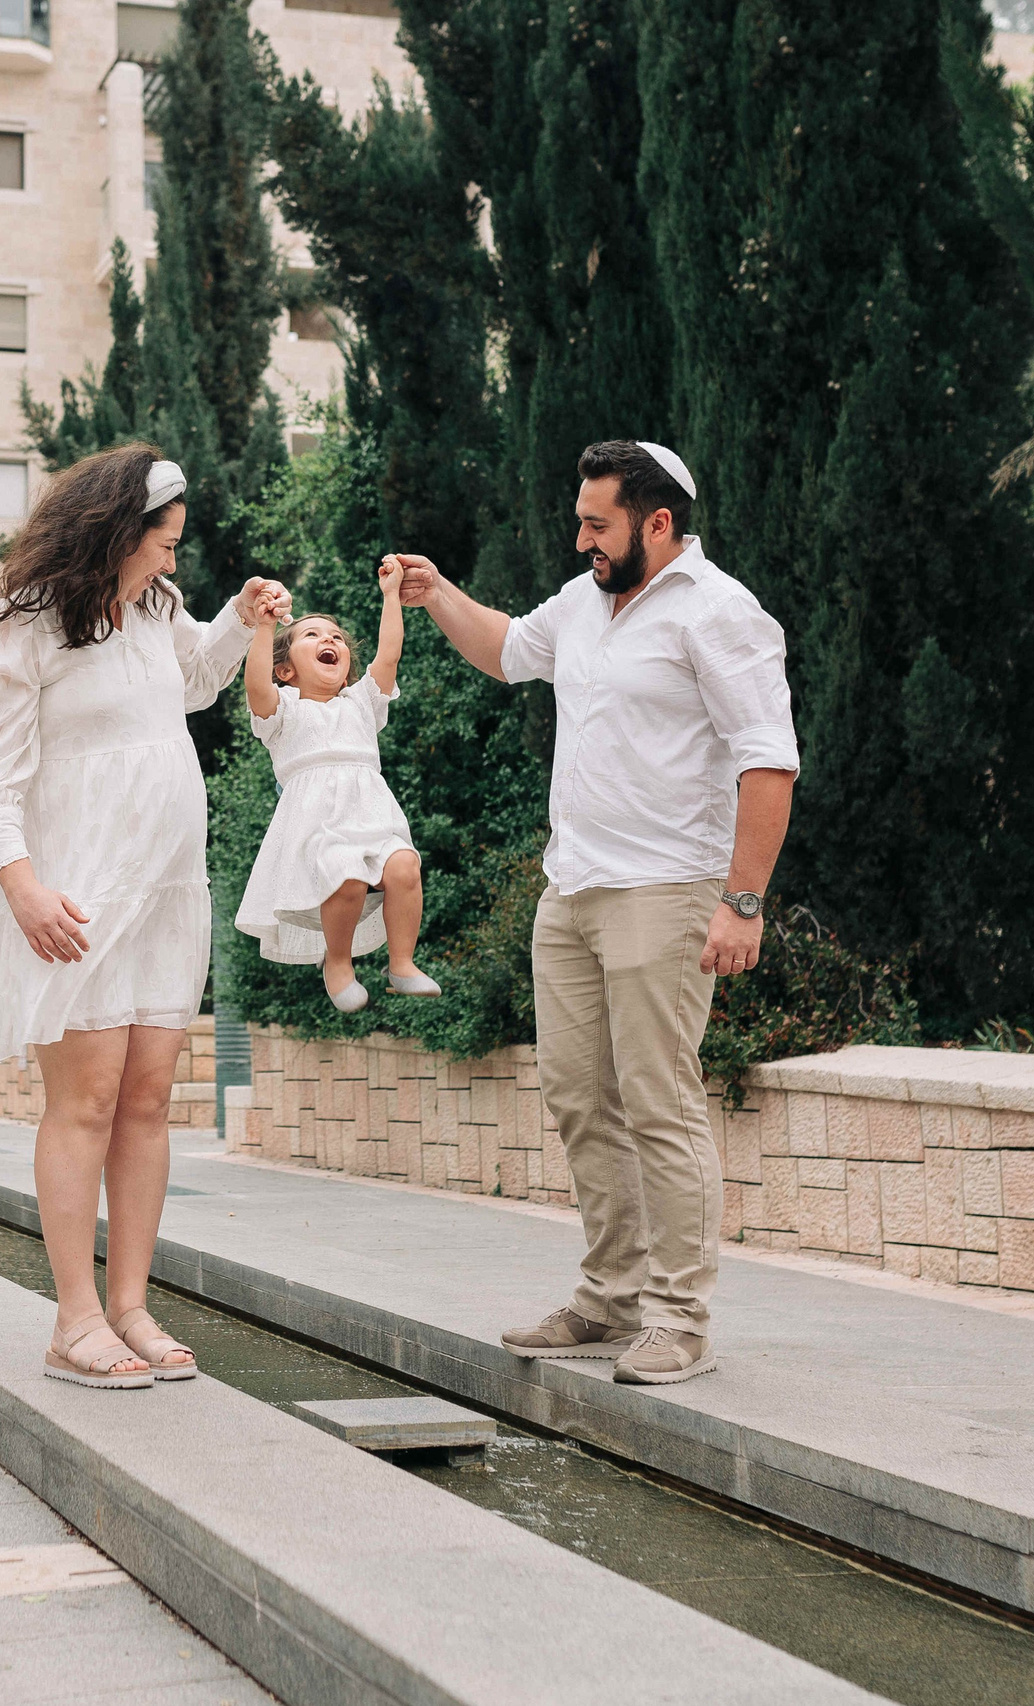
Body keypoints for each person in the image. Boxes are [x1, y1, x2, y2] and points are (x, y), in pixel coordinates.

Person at [388, 440, 797, 1386]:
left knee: (660, 1104)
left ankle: (680, 1319)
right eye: (580, 521)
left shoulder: (720, 614)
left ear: (659, 523)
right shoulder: (582, 603)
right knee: (579, 1098)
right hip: (570, 891)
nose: (581, 540)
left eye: (598, 524)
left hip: (668, 890)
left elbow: (767, 760)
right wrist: (438, 591)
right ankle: (611, 1300)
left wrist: (743, 902)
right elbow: (505, 652)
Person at [0, 442, 292, 1389]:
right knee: (87, 1101)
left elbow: (190, 685)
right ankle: (74, 1319)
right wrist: (19, 882)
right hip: (78, 891)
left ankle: (133, 1306)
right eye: (165, 544)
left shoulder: (156, 609)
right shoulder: (20, 622)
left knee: (145, 1102)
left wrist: (236, 617)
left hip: (166, 888)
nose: (175, 561)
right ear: (115, 531)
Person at [234, 556, 437, 1013]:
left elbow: (389, 654)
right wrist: (264, 629)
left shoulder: (362, 703)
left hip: (372, 815)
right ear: (286, 670)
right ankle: (338, 964)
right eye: (312, 635)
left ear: (345, 665)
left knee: (405, 866)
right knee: (345, 878)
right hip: (317, 826)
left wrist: (390, 597)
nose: (329, 639)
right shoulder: (284, 711)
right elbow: (255, 685)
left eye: (336, 638)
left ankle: (402, 963)